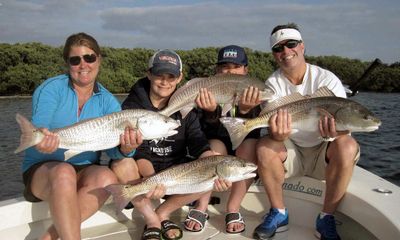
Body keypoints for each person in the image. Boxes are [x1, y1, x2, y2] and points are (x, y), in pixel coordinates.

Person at [21, 32, 137, 240]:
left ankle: (48, 237)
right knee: (63, 171)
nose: (83, 65)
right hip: (43, 169)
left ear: (99, 59)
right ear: (67, 63)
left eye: (89, 58)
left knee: (107, 177)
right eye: (75, 60)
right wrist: (42, 139)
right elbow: (40, 124)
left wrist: (126, 149)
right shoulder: (51, 88)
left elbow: (112, 150)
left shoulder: (108, 101)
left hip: (84, 169)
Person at [253, 23, 359, 240]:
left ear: (302, 46)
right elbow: (275, 135)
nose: (285, 52)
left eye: (291, 44)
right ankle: (278, 213)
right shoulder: (272, 83)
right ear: (274, 55)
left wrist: (335, 133)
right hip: (291, 151)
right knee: (264, 145)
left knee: (347, 145)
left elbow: (344, 130)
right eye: (278, 48)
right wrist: (278, 135)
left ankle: (326, 218)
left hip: (323, 150)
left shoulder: (327, 79)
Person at [111, 49, 230, 240]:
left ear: (179, 78)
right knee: (120, 163)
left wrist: (214, 166)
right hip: (144, 170)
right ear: (149, 74)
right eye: (159, 75)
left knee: (212, 167)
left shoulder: (187, 105)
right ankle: (152, 220)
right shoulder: (131, 106)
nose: (165, 82)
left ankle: (163, 213)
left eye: (171, 76)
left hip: (175, 167)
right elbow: (138, 151)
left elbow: (198, 141)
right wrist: (153, 179)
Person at [184, 45, 262, 234]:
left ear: (245, 70)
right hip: (218, 148)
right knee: (214, 145)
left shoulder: (255, 93)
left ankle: (233, 209)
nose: (229, 71)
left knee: (250, 146)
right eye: (224, 67)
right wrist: (210, 113)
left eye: (235, 67)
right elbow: (200, 134)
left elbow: (254, 132)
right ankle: (201, 205)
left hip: (242, 148)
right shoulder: (207, 91)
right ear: (217, 71)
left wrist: (245, 111)